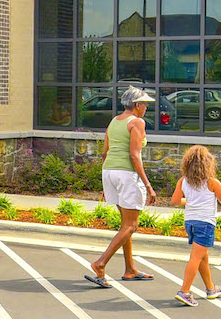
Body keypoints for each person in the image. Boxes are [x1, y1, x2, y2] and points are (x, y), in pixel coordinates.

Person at [86, 85, 156, 288]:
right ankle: (100, 264)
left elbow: (105, 152)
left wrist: (106, 183)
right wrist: (148, 185)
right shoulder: (137, 122)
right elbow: (134, 155)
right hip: (127, 174)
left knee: (126, 224)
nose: (146, 108)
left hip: (109, 172)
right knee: (131, 225)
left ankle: (130, 269)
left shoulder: (114, 121)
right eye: (144, 104)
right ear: (136, 105)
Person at [170, 145, 221, 307]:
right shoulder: (212, 183)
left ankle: (211, 289)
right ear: (208, 164)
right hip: (205, 223)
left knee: (203, 256)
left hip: (190, 223)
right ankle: (185, 291)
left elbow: (175, 202)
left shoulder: (183, 181)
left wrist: (188, 201)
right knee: (196, 257)